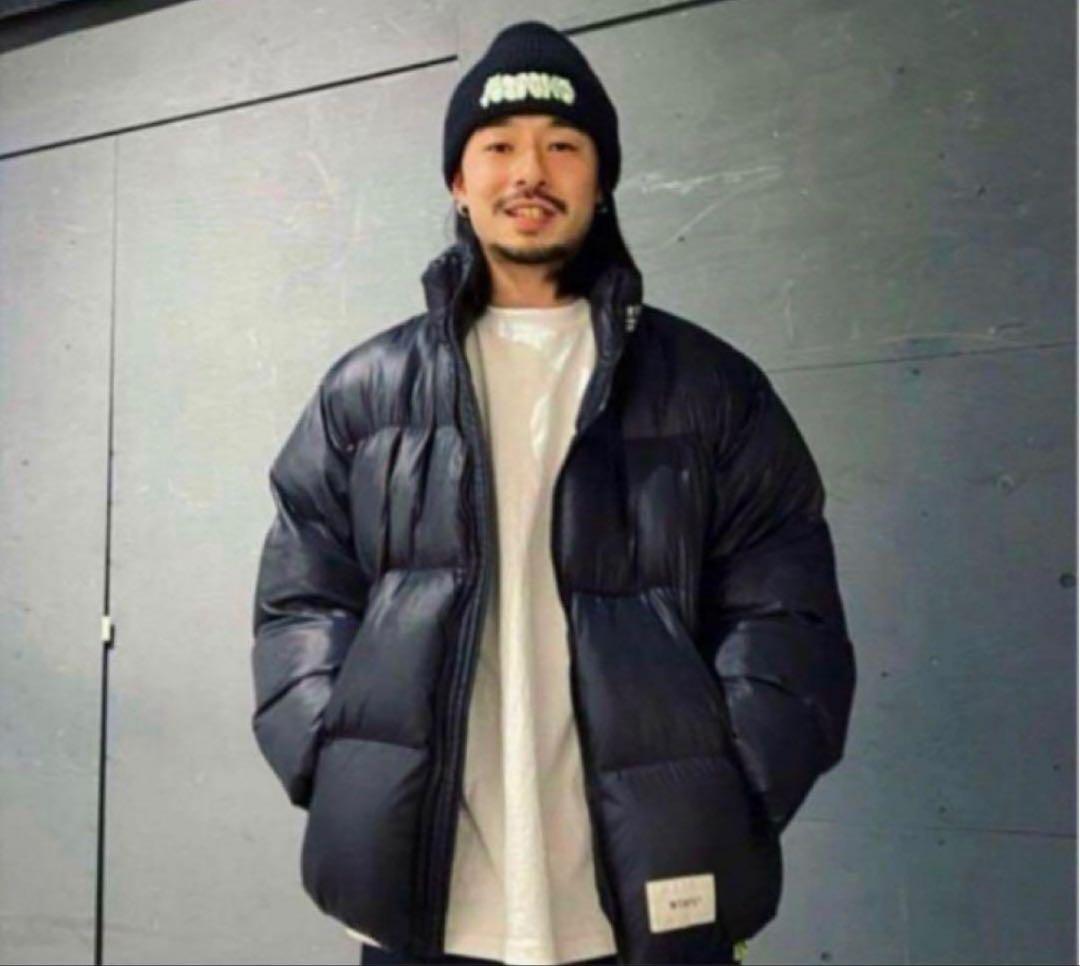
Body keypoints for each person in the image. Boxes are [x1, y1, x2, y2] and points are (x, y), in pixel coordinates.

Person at [250, 19, 856, 966]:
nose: (529, 171)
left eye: (563, 145)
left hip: (647, 898)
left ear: (601, 178)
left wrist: (726, 788)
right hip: (423, 903)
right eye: (498, 146)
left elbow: (789, 618)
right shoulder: (365, 396)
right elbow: (300, 605)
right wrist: (339, 763)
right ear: (458, 181)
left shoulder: (713, 391)